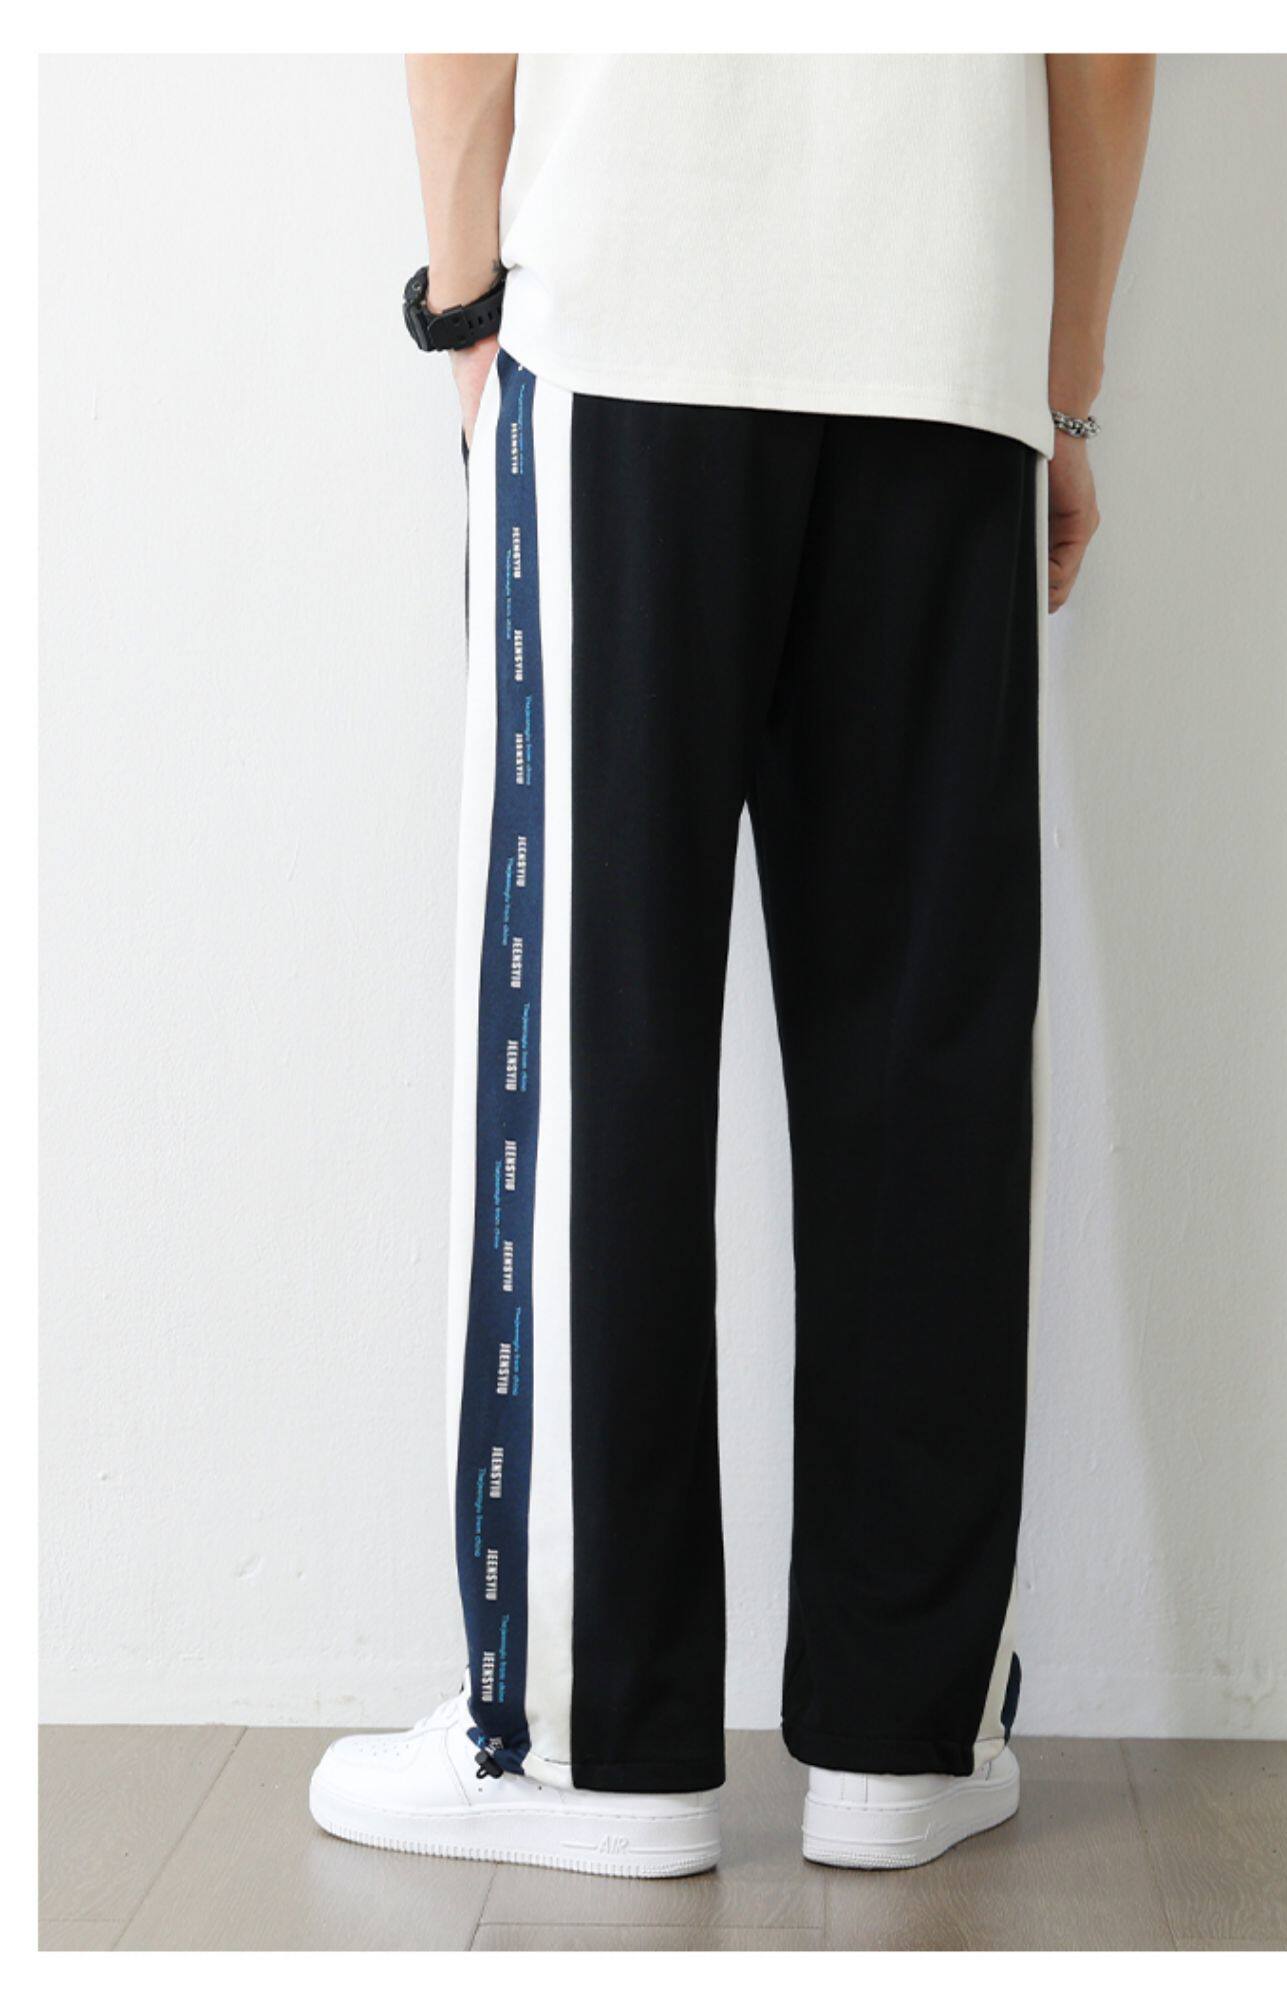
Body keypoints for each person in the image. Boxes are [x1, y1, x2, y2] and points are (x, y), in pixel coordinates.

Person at [309, 51, 1154, 1878]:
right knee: (926, 1048)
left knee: (590, 1031)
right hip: (947, 350)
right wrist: (1057, 388)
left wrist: (465, 308)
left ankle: (580, 1741)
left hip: (630, 306)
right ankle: (904, 1739)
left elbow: (462, 45)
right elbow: (1106, 57)